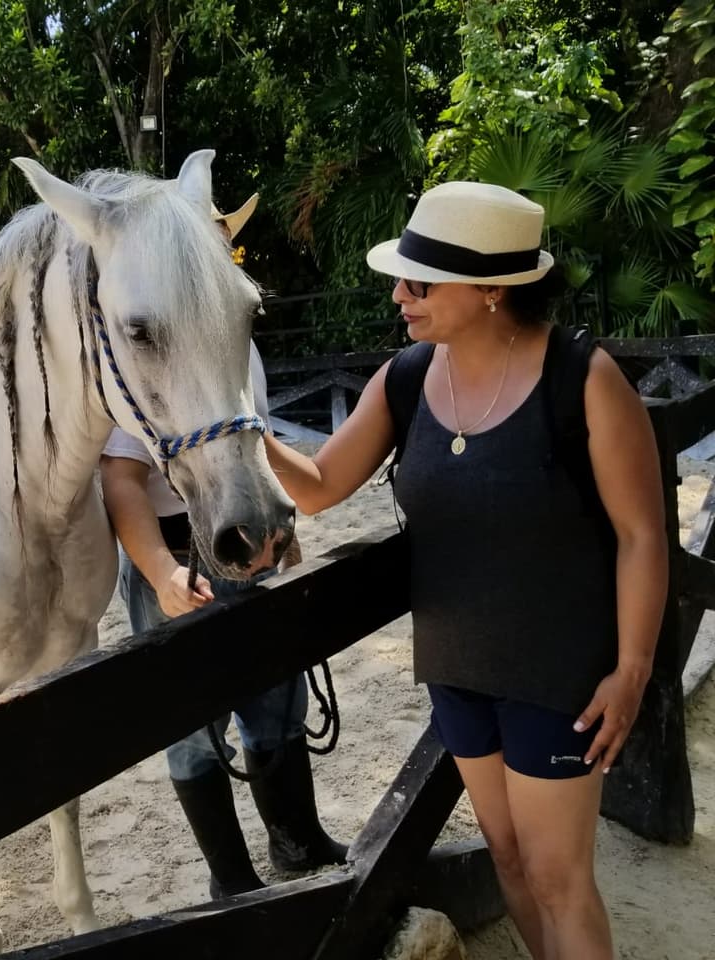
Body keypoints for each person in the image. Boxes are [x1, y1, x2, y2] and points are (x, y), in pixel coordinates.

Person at [264, 181, 667, 959]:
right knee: (510, 858)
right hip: (456, 667)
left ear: (490, 290)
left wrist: (634, 668)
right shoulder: (408, 376)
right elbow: (317, 489)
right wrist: (234, 428)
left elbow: (642, 535)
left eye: (419, 281)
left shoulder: (583, 380)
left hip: (561, 676)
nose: (398, 293)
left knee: (560, 878)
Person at [100, 194, 347, 902]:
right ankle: (231, 877)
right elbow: (122, 480)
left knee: (275, 693)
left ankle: (297, 845)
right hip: (174, 548)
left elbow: (254, 448)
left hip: (243, 533)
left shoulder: (235, 337)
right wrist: (160, 573)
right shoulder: (153, 348)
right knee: (189, 720)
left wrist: (282, 525)